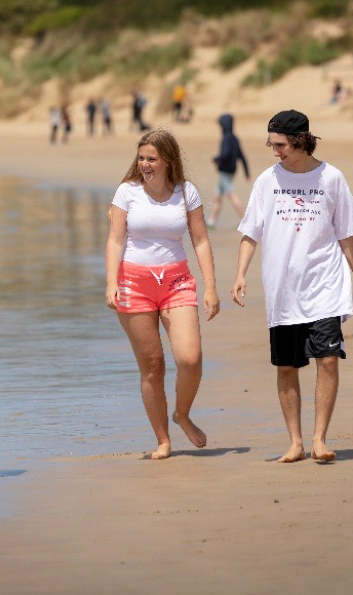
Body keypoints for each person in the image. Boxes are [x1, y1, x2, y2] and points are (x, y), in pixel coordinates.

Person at [232, 110, 353, 463]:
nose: (274, 151)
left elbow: (347, 233)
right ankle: (295, 443)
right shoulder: (267, 181)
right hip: (282, 289)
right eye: (271, 144)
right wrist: (240, 274)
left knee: (328, 360)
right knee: (286, 367)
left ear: (299, 141)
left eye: (280, 144)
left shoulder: (332, 178)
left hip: (325, 284)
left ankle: (319, 439)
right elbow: (250, 232)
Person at [105, 128, 219, 460]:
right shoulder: (127, 192)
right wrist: (111, 282)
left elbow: (200, 240)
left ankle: (182, 414)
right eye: (141, 158)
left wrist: (210, 287)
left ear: (168, 160)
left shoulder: (186, 192)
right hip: (134, 283)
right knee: (153, 365)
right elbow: (115, 240)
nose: (145, 164)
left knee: (190, 359)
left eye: (152, 159)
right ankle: (163, 439)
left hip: (176, 281)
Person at [207, 113, 250, 228]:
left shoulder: (226, 138)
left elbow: (225, 154)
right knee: (217, 196)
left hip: (225, 172)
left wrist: (216, 159)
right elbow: (242, 156)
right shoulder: (235, 138)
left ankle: (245, 220)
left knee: (231, 195)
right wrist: (247, 173)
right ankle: (211, 221)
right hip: (231, 171)